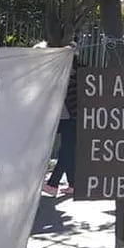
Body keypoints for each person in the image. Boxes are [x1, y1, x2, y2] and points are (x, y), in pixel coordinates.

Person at [43, 54, 79, 197]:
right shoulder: (74, 78)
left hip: (71, 119)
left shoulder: (70, 80)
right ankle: (73, 184)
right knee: (67, 151)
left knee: (65, 152)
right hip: (71, 119)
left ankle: (53, 184)